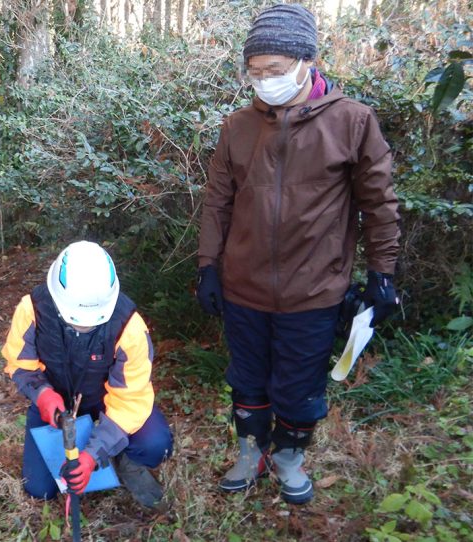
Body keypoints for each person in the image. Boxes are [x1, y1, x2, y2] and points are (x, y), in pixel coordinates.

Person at [196, 4, 401, 505]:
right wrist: (208, 266)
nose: (264, 81)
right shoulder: (238, 126)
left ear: (307, 61)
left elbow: (379, 204)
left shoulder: (353, 121)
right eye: (255, 71)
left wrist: (383, 273)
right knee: (246, 378)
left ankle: (289, 456)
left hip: (314, 290)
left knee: (299, 385)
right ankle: (251, 448)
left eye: (276, 70)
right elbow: (218, 200)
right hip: (244, 286)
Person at [1, 241, 173, 508]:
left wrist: (92, 455)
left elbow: (130, 402)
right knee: (39, 489)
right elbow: (21, 364)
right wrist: (43, 395)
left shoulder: (130, 328)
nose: (83, 326)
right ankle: (94, 447)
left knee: (155, 444)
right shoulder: (32, 309)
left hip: (108, 405)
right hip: (56, 405)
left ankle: (121, 460)